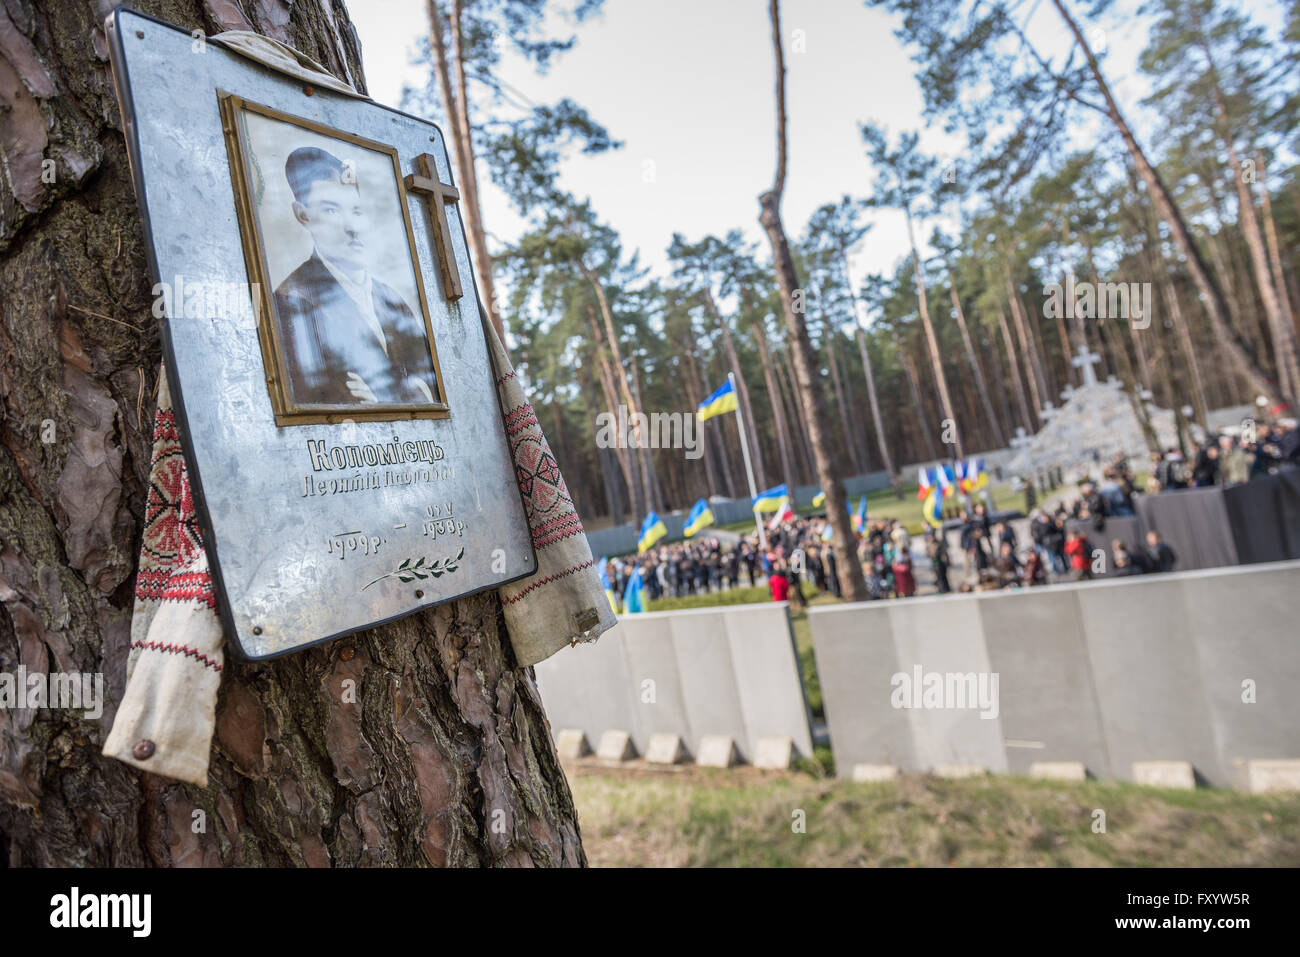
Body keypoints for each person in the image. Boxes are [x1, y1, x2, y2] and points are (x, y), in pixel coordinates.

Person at [274, 146, 439, 407]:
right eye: (331, 211)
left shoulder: (391, 299)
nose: (352, 227)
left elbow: (429, 386)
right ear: (303, 215)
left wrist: (387, 399)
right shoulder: (292, 299)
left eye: (357, 211)